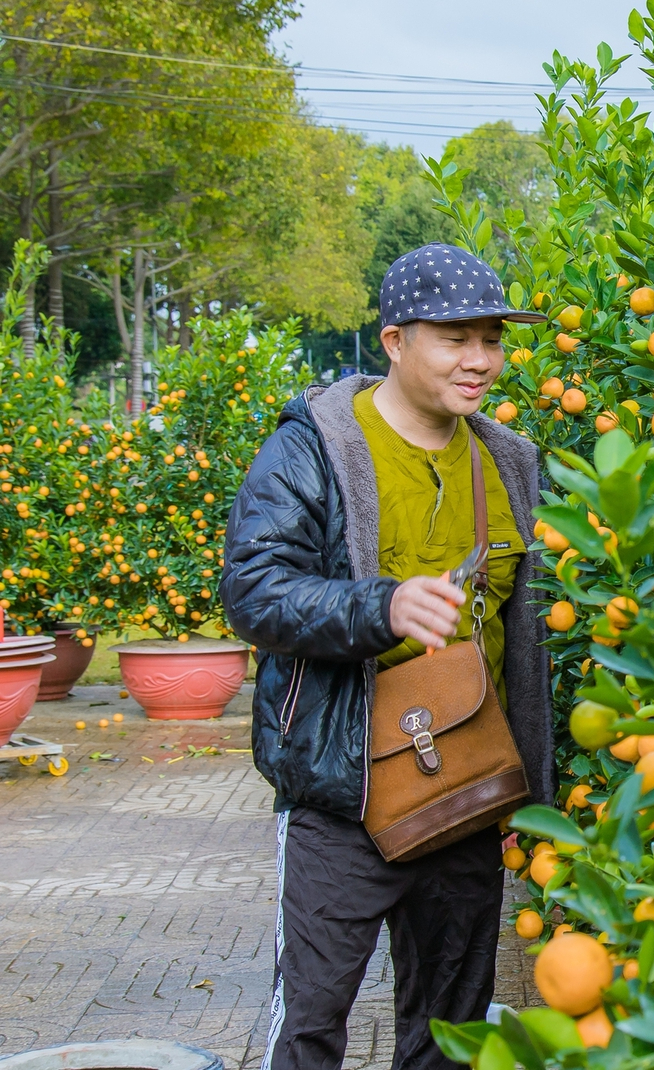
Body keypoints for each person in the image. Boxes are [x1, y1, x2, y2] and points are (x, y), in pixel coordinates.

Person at [223, 243, 552, 1070]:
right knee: (310, 1024)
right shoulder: (317, 448)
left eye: (493, 339)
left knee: (450, 1033)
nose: (481, 361)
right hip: (346, 791)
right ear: (396, 341)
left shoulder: (511, 460)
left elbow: (534, 637)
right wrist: (382, 603)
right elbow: (253, 589)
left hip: (468, 788)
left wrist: (538, 795)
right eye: (456, 339)